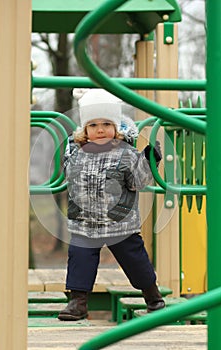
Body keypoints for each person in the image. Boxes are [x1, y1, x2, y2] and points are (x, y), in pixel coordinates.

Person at [58, 88, 165, 321]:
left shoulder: (125, 153)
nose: (100, 130)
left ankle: (152, 295)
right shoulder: (77, 152)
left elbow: (138, 181)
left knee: (136, 261)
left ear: (116, 127)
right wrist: (66, 155)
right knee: (79, 259)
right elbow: (69, 175)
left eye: (106, 124)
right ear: (84, 130)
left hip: (120, 223)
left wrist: (149, 160)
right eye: (93, 125)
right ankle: (78, 302)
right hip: (85, 222)